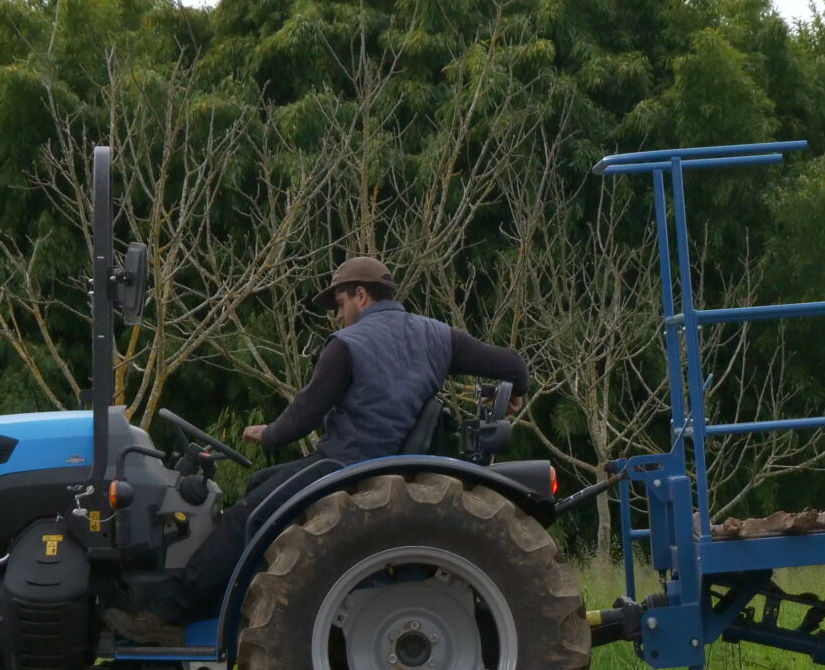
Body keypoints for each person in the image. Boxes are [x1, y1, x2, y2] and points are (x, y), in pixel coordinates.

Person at [114, 255, 530, 636]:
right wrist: (516, 391)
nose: (338, 315)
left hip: (348, 466)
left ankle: (170, 612)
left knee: (248, 516)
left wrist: (271, 433)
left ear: (361, 296)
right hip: (391, 462)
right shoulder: (438, 336)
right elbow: (511, 364)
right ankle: (236, 604)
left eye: (340, 303)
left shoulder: (348, 345)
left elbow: (309, 410)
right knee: (263, 483)